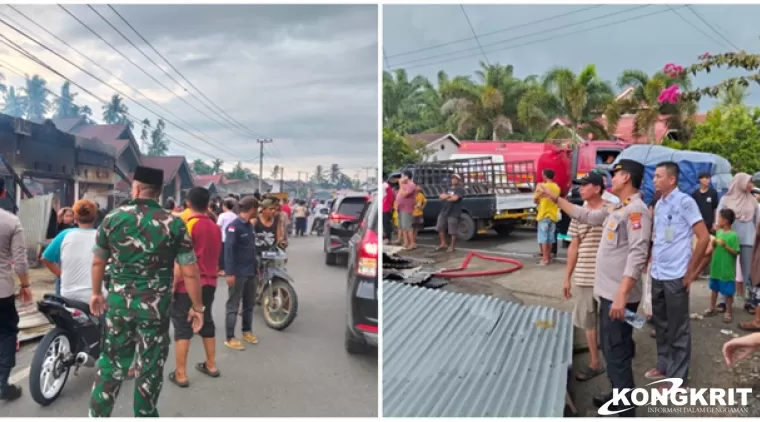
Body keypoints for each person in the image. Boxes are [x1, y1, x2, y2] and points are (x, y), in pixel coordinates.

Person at [536, 159, 651, 417]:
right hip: (608, 294)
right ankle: (616, 394)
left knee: (617, 352)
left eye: (617, 173)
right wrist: (554, 197)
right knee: (612, 350)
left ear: (627, 178)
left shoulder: (636, 211)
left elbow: (637, 253)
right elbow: (584, 215)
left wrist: (621, 295)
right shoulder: (617, 208)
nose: (613, 177)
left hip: (618, 297)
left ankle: (625, 409)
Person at [88, 166, 205, 417]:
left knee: (111, 364)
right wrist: (198, 307)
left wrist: (97, 292)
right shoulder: (173, 223)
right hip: (156, 309)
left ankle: (97, 415)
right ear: (159, 192)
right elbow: (189, 271)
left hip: (119, 305)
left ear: (136, 188)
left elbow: (98, 262)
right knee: (149, 368)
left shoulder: (113, 218)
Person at [647, 161, 710, 386]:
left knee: (678, 328)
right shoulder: (660, 203)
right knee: (661, 324)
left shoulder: (685, 202)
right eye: (654, 176)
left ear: (671, 179)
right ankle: (663, 365)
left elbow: (703, 238)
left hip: (676, 275)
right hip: (658, 273)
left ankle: (677, 377)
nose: (654, 180)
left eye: (657, 176)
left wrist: (691, 271)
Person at [169, 187, 222, 388]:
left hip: (188, 285)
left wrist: (172, 286)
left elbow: (181, 263)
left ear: (188, 204)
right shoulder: (215, 227)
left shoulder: (188, 226)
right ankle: (211, 364)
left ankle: (181, 374)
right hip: (210, 282)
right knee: (206, 321)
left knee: (183, 326)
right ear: (207, 204)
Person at [563, 172, 608, 383]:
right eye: (579, 186)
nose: (580, 189)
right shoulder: (577, 212)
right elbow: (574, 246)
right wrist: (567, 278)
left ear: (597, 188)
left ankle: (618, 355)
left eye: (585, 185)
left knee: (612, 321)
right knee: (589, 322)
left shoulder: (611, 209)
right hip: (584, 275)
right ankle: (594, 362)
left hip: (608, 277)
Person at [0, 178, 30, 402]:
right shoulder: (10, 221)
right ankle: (3, 385)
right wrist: (26, 285)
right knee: (7, 334)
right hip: (2, 291)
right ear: (3, 194)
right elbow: (20, 262)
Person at [41, 200, 104, 304]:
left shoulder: (65, 234)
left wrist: (61, 275)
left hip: (69, 295)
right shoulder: (102, 236)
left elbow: (46, 258)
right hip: (95, 295)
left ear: (75, 218)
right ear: (95, 217)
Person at [715, 173, 760, 313]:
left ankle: (749, 301)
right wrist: (719, 237)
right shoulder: (726, 199)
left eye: (751, 183)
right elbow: (719, 220)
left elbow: (757, 221)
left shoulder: (753, 201)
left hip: (748, 239)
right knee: (726, 270)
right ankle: (723, 301)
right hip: (729, 239)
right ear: (740, 182)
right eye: (748, 182)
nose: (750, 186)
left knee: (748, 271)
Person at [223, 196, 259, 351]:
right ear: (252, 209)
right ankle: (230, 337)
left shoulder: (250, 225)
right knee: (233, 305)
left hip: (251, 271)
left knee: (249, 304)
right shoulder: (234, 226)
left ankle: (247, 331)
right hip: (238, 273)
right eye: (256, 209)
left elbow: (251, 249)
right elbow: (228, 251)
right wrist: (229, 273)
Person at [704, 209, 739, 323]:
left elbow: (736, 252)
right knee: (714, 289)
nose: (718, 220)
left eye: (720, 218)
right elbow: (714, 249)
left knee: (728, 292)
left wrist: (725, 246)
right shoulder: (718, 233)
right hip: (716, 266)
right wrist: (714, 244)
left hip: (727, 268)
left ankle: (728, 311)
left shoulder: (733, 235)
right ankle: (712, 308)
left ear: (726, 221)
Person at [534, 169, 560, 265]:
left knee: (543, 238)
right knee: (550, 238)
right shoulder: (557, 187)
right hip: (553, 215)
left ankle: (544, 259)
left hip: (543, 214)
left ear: (545, 176)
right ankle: (548, 257)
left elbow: (535, 200)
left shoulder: (541, 186)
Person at [436, 174, 465, 253]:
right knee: (440, 227)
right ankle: (443, 243)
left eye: (456, 179)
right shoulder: (447, 188)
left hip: (454, 213)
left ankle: (452, 246)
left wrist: (447, 196)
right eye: (453, 178)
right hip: (444, 211)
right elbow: (441, 196)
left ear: (459, 181)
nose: (454, 180)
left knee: (452, 231)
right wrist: (449, 196)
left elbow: (455, 199)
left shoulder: (460, 190)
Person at [396, 170, 417, 249]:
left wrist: (401, 184)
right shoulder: (404, 184)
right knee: (403, 227)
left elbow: (404, 194)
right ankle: (406, 242)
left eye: (402, 176)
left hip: (406, 208)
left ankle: (412, 243)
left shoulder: (411, 185)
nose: (401, 178)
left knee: (408, 227)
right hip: (400, 208)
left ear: (407, 177)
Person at [217, 198, 238, 276]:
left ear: (225, 206)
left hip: (223, 237)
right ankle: (231, 269)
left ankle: (223, 269)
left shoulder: (222, 215)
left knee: (223, 254)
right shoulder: (235, 216)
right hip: (233, 237)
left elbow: (218, 226)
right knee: (231, 254)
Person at [382, 173, 394, 243]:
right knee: (386, 223)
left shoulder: (385, 185)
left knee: (385, 223)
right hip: (385, 207)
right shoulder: (386, 185)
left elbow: (390, 197)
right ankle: (388, 238)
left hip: (384, 207)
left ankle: (387, 238)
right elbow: (390, 198)